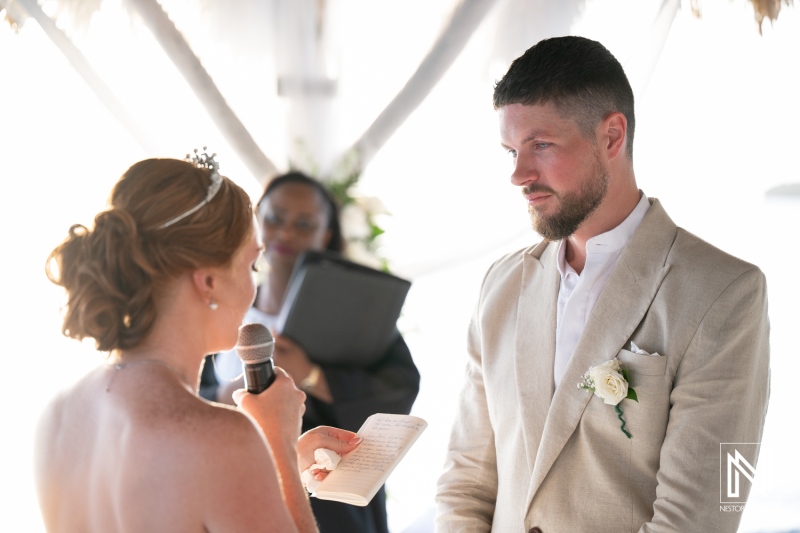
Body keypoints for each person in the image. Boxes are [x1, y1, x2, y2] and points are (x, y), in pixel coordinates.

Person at [435, 36, 770, 532]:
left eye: (541, 145)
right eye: (511, 151)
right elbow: (465, 481)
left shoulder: (725, 292)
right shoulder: (500, 286)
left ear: (612, 136)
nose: (520, 175)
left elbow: (704, 517)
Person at [35, 155, 363, 532]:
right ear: (208, 281)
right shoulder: (222, 440)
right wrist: (279, 449)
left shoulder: (58, 415)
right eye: (251, 266)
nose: (253, 286)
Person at [200, 171, 421, 533]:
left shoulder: (357, 313)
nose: (285, 233)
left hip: (331, 507)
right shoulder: (228, 310)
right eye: (273, 219)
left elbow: (398, 388)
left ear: (326, 234)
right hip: (232, 495)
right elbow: (193, 395)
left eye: (304, 224)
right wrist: (228, 394)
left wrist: (311, 374)